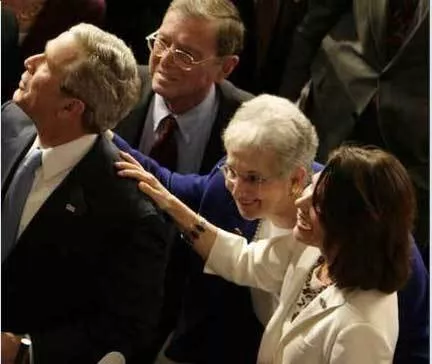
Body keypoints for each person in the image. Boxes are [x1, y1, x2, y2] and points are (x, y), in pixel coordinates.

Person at [113, 95, 429, 363]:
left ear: (351, 224)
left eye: (316, 202)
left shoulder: (363, 328)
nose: (302, 202)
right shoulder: (317, 253)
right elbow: (242, 260)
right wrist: (169, 203)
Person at [1, 23, 175, 364]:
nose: (30, 61)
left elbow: (126, 329)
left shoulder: (131, 214)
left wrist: (24, 351)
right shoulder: (9, 120)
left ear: (70, 108)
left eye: (47, 64)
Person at [279, 0, 429, 267]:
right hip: (336, 103)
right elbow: (312, 26)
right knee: (304, 220)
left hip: (413, 139)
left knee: (388, 251)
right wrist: (284, 104)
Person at [114, 0, 252, 174]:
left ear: (225, 68)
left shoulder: (251, 124)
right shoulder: (116, 85)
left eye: (185, 55)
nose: (164, 60)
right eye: (162, 42)